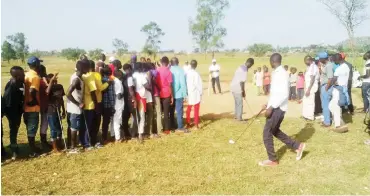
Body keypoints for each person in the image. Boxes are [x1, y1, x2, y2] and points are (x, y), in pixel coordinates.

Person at [259, 53, 306, 167]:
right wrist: (268, 104)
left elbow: (284, 94)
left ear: (273, 61)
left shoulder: (282, 74)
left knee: (267, 133)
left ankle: (272, 160)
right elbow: (276, 93)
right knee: (274, 131)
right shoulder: (276, 73)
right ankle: (297, 146)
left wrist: (271, 107)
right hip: (275, 106)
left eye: (270, 61)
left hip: (278, 108)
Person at [66, 60, 88, 154]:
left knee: (72, 126)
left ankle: (71, 144)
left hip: (72, 107)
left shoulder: (77, 76)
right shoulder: (76, 80)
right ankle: (73, 147)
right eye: (87, 67)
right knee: (74, 128)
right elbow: (68, 93)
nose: (88, 69)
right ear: (82, 68)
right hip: (74, 108)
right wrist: (78, 104)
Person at [3, 66, 25, 160]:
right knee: (13, 130)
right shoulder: (11, 87)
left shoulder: (20, 82)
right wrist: (14, 117)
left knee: (15, 129)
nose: (24, 75)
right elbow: (7, 104)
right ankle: (14, 150)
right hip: (12, 112)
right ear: (17, 76)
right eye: (22, 74)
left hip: (18, 110)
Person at [24, 56, 42, 157]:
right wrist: (35, 101)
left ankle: (33, 147)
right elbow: (32, 90)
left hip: (25, 106)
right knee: (32, 128)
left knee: (29, 128)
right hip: (32, 107)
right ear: (36, 65)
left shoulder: (26, 75)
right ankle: (32, 150)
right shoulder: (35, 77)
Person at [92, 60, 111, 148]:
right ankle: (98, 138)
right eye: (98, 67)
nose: (99, 69)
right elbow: (101, 89)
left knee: (99, 121)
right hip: (99, 102)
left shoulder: (97, 76)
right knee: (98, 121)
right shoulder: (96, 76)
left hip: (99, 102)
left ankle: (100, 137)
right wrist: (108, 83)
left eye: (100, 67)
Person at [329, 53, 350, 132]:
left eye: (334, 60)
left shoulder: (339, 69)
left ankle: (338, 125)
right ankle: (339, 121)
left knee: (335, 106)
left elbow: (333, 80)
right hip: (343, 87)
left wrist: (332, 83)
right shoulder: (346, 67)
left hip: (338, 89)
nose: (334, 62)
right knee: (331, 105)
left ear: (337, 59)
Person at [46, 73, 66, 153]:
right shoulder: (48, 88)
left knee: (59, 128)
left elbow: (61, 99)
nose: (54, 81)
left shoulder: (60, 86)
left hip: (59, 110)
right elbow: (47, 92)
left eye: (55, 79)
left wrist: (64, 110)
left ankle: (59, 143)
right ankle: (54, 147)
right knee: (53, 129)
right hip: (51, 111)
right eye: (52, 80)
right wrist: (50, 82)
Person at [169, 57, 188, 132]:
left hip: (170, 94)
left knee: (171, 111)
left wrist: (172, 93)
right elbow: (182, 83)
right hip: (179, 94)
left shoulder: (169, 70)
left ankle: (172, 126)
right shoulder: (181, 70)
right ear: (178, 62)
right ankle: (180, 126)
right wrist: (185, 94)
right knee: (179, 111)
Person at [132, 63, 150, 142]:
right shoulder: (142, 76)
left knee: (135, 116)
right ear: (140, 68)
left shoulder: (133, 75)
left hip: (134, 97)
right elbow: (147, 86)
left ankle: (134, 132)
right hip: (141, 97)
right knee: (142, 116)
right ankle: (140, 134)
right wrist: (149, 79)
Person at [156, 56, 173, 134]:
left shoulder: (157, 70)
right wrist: (172, 96)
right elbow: (170, 85)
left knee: (159, 112)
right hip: (166, 94)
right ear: (168, 62)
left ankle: (159, 128)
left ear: (161, 62)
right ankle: (167, 129)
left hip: (159, 93)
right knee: (166, 113)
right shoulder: (168, 72)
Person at [318, 52, 334, 127]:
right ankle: (328, 119)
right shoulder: (326, 65)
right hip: (324, 86)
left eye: (320, 59)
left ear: (323, 58)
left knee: (325, 105)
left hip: (326, 87)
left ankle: (327, 122)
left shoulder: (329, 66)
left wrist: (326, 88)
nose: (319, 60)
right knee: (326, 104)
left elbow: (330, 78)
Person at [186, 60, 203, 130]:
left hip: (189, 92)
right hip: (195, 93)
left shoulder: (187, 73)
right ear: (196, 65)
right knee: (196, 109)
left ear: (190, 65)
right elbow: (197, 84)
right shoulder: (196, 74)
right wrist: (201, 91)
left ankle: (188, 123)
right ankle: (196, 125)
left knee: (189, 108)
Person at [38, 65, 51, 150]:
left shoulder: (42, 80)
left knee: (44, 123)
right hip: (44, 105)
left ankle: (43, 141)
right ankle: (43, 141)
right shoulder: (41, 81)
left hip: (43, 104)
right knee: (44, 123)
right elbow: (47, 92)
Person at [302, 55, 319, 121]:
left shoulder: (313, 67)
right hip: (308, 87)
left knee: (310, 102)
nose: (305, 63)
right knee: (306, 101)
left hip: (311, 87)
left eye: (305, 61)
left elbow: (312, 79)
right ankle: (305, 115)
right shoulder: (309, 67)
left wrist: (309, 89)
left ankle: (310, 117)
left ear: (309, 60)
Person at [122, 64, 137, 139]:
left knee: (126, 117)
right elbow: (131, 90)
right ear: (129, 68)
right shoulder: (130, 77)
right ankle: (133, 133)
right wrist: (134, 99)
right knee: (134, 116)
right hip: (130, 99)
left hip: (124, 99)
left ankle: (126, 133)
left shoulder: (123, 77)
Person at [101, 68, 115, 143]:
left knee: (105, 121)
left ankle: (104, 136)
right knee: (107, 121)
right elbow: (110, 94)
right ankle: (105, 137)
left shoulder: (102, 79)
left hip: (102, 104)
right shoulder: (110, 81)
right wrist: (113, 106)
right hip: (108, 105)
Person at [111, 69, 125, 142]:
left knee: (115, 120)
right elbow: (119, 96)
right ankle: (118, 138)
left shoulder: (115, 81)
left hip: (116, 104)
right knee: (117, 120)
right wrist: (124, 93)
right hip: (118, 104)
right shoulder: (118, 82)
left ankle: (115, 135)